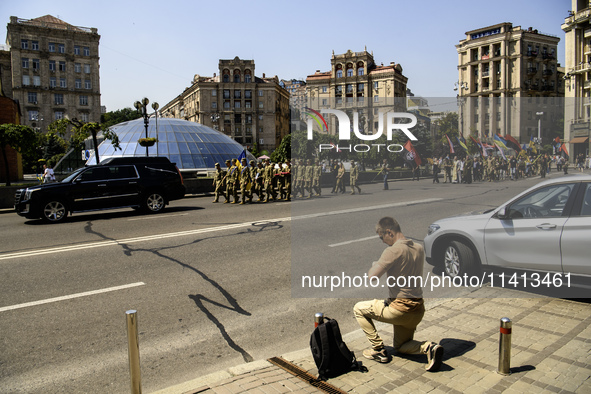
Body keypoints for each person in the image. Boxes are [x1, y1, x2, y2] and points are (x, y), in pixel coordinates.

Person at [353, 217, 444, 371]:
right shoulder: (418, 247)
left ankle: (378, 350)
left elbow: (372, 277)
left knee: (358, 308)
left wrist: (375, 265)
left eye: (382, 237)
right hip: (417, 311)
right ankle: (429, 348)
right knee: (401, 346)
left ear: (389, 232)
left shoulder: (393, 250)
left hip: (400, 311)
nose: (382, 241)